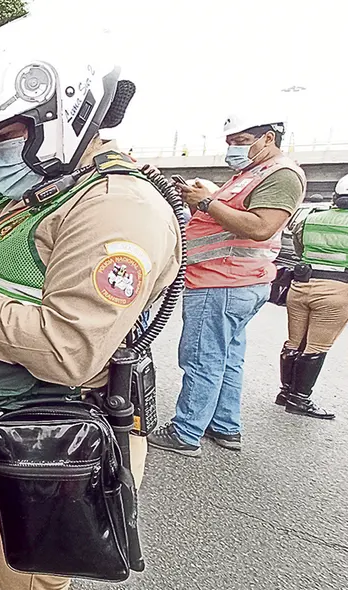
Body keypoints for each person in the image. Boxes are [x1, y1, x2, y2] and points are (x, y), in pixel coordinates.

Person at [0, 16, 183, 590]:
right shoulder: (42, 193)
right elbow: (8, 280)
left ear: (60, 116)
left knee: (24, 579)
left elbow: (67, 348)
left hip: (45, 444)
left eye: (5, 136)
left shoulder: (115, 208)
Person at [149, 112, 306, 456]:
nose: (234, 148)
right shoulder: (249, 174)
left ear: (269, 138)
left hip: (223, 281)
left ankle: (185, 432)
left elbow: (261, 227)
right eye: (230, 142)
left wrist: (205, 202)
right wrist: (201, 201)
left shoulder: (281, 174)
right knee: (227, 358)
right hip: (231, 281)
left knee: (203, 357)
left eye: (242, 141)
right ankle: (224, 426)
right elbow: (222, 221)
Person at [273, 173, 348, 420]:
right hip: (336, 291)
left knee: (294, 342)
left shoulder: (309, 218)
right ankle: (300, 399)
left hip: (301, 286)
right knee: (316, 345)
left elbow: (299, 249)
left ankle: (285, 392)